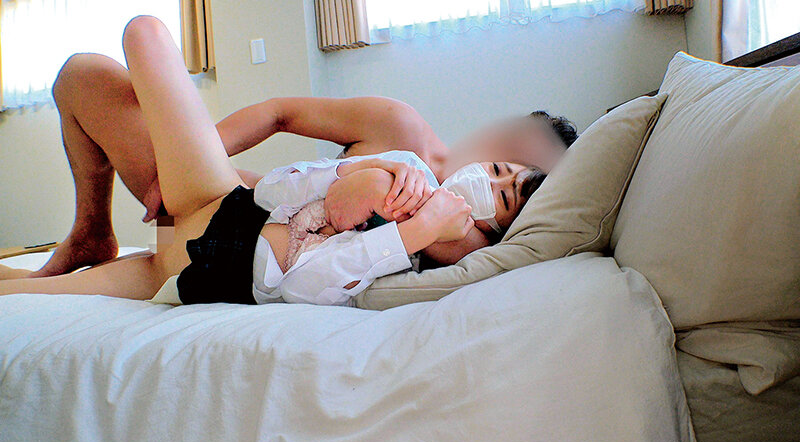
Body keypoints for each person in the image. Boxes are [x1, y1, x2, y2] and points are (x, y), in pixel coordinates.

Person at [0, 16, 544, 307]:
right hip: (215, 197)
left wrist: (424, 228)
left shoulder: (468, 240)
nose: (498, 183)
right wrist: (184, 154)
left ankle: (115, 246)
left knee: (24, 292)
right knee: (81, 75)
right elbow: (280, 114)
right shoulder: (404, 134)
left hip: (206, 256)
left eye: (515, 195)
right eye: (507, 167)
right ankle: (91, 232)